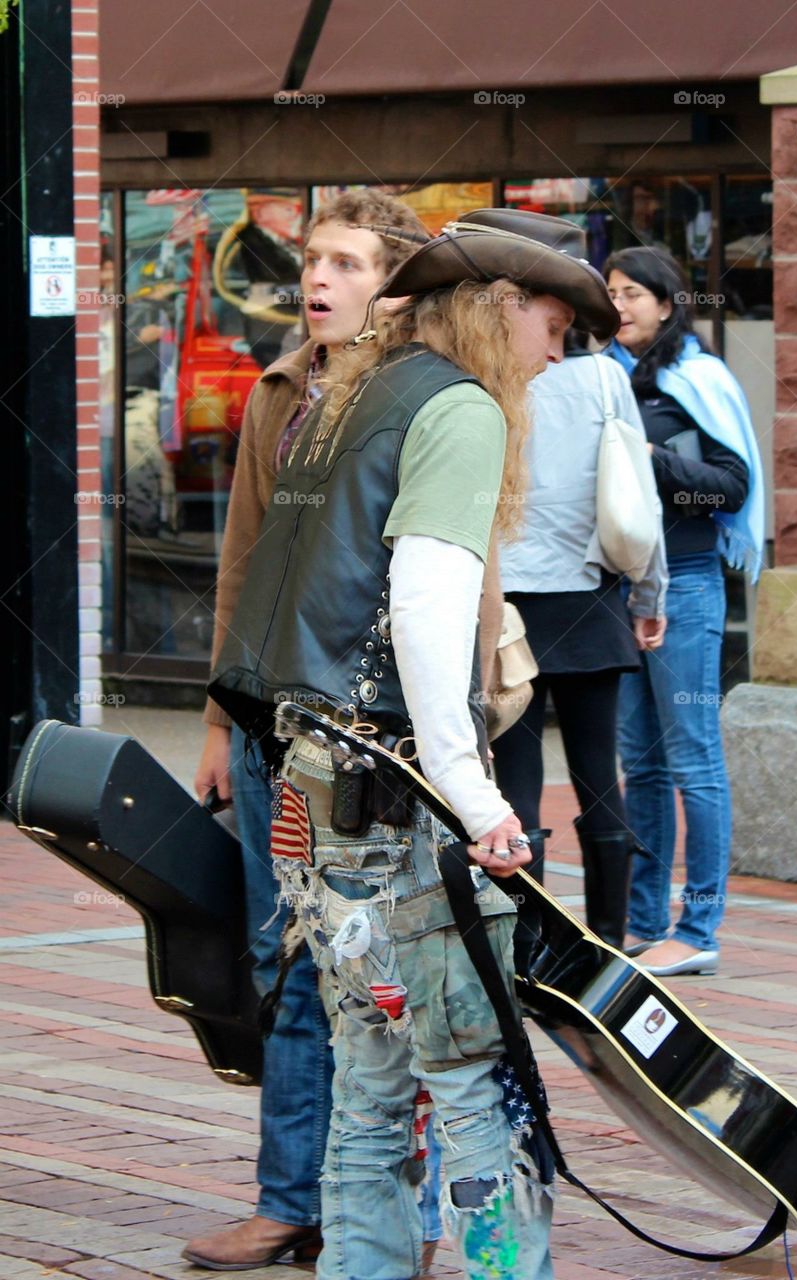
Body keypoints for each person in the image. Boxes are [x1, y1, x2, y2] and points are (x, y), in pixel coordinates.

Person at [208, 208, 619, 1280]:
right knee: (471, 1078)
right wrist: (476, 798)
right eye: (551, 318)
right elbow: (431, 613)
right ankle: (497, 1270)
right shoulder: (459, 408)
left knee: (372, 1081)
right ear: (499, 310)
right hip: (392, 802)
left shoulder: (355, 390)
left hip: (314, 788)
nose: (558, 344)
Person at [186, 191, 443, 1273]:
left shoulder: (427, 399)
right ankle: (290, 1198)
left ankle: (401, 1209)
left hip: (374, 732)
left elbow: (450, 581)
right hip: (267, 724)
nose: (317, 278)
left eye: (344, 261)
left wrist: (447, 738)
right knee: (282, 961)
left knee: (385, 972)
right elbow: (240, 562)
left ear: (392, 286)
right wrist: (215, 718)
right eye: (311, 259)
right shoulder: (277, 390)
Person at [606, 246, 764, 978]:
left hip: (690, 585)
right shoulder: (609, 378)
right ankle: (642, 924)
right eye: (611, 292)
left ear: (668, 304)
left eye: (635, 293)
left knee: (693, 761)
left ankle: (699, 927)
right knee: (639, 765)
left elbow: (729, 488)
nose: (620, 305)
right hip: (625, 591)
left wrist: (649, 457)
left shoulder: (696, 381)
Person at [491, 332, 667, 956]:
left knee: (515, 778)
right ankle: (610, 946)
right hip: (588, 597)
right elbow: (635, 495)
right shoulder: (604, 376)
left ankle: (528, 948)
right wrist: (649, 596)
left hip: (504, 605)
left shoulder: (490, 368)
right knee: (599, 777)